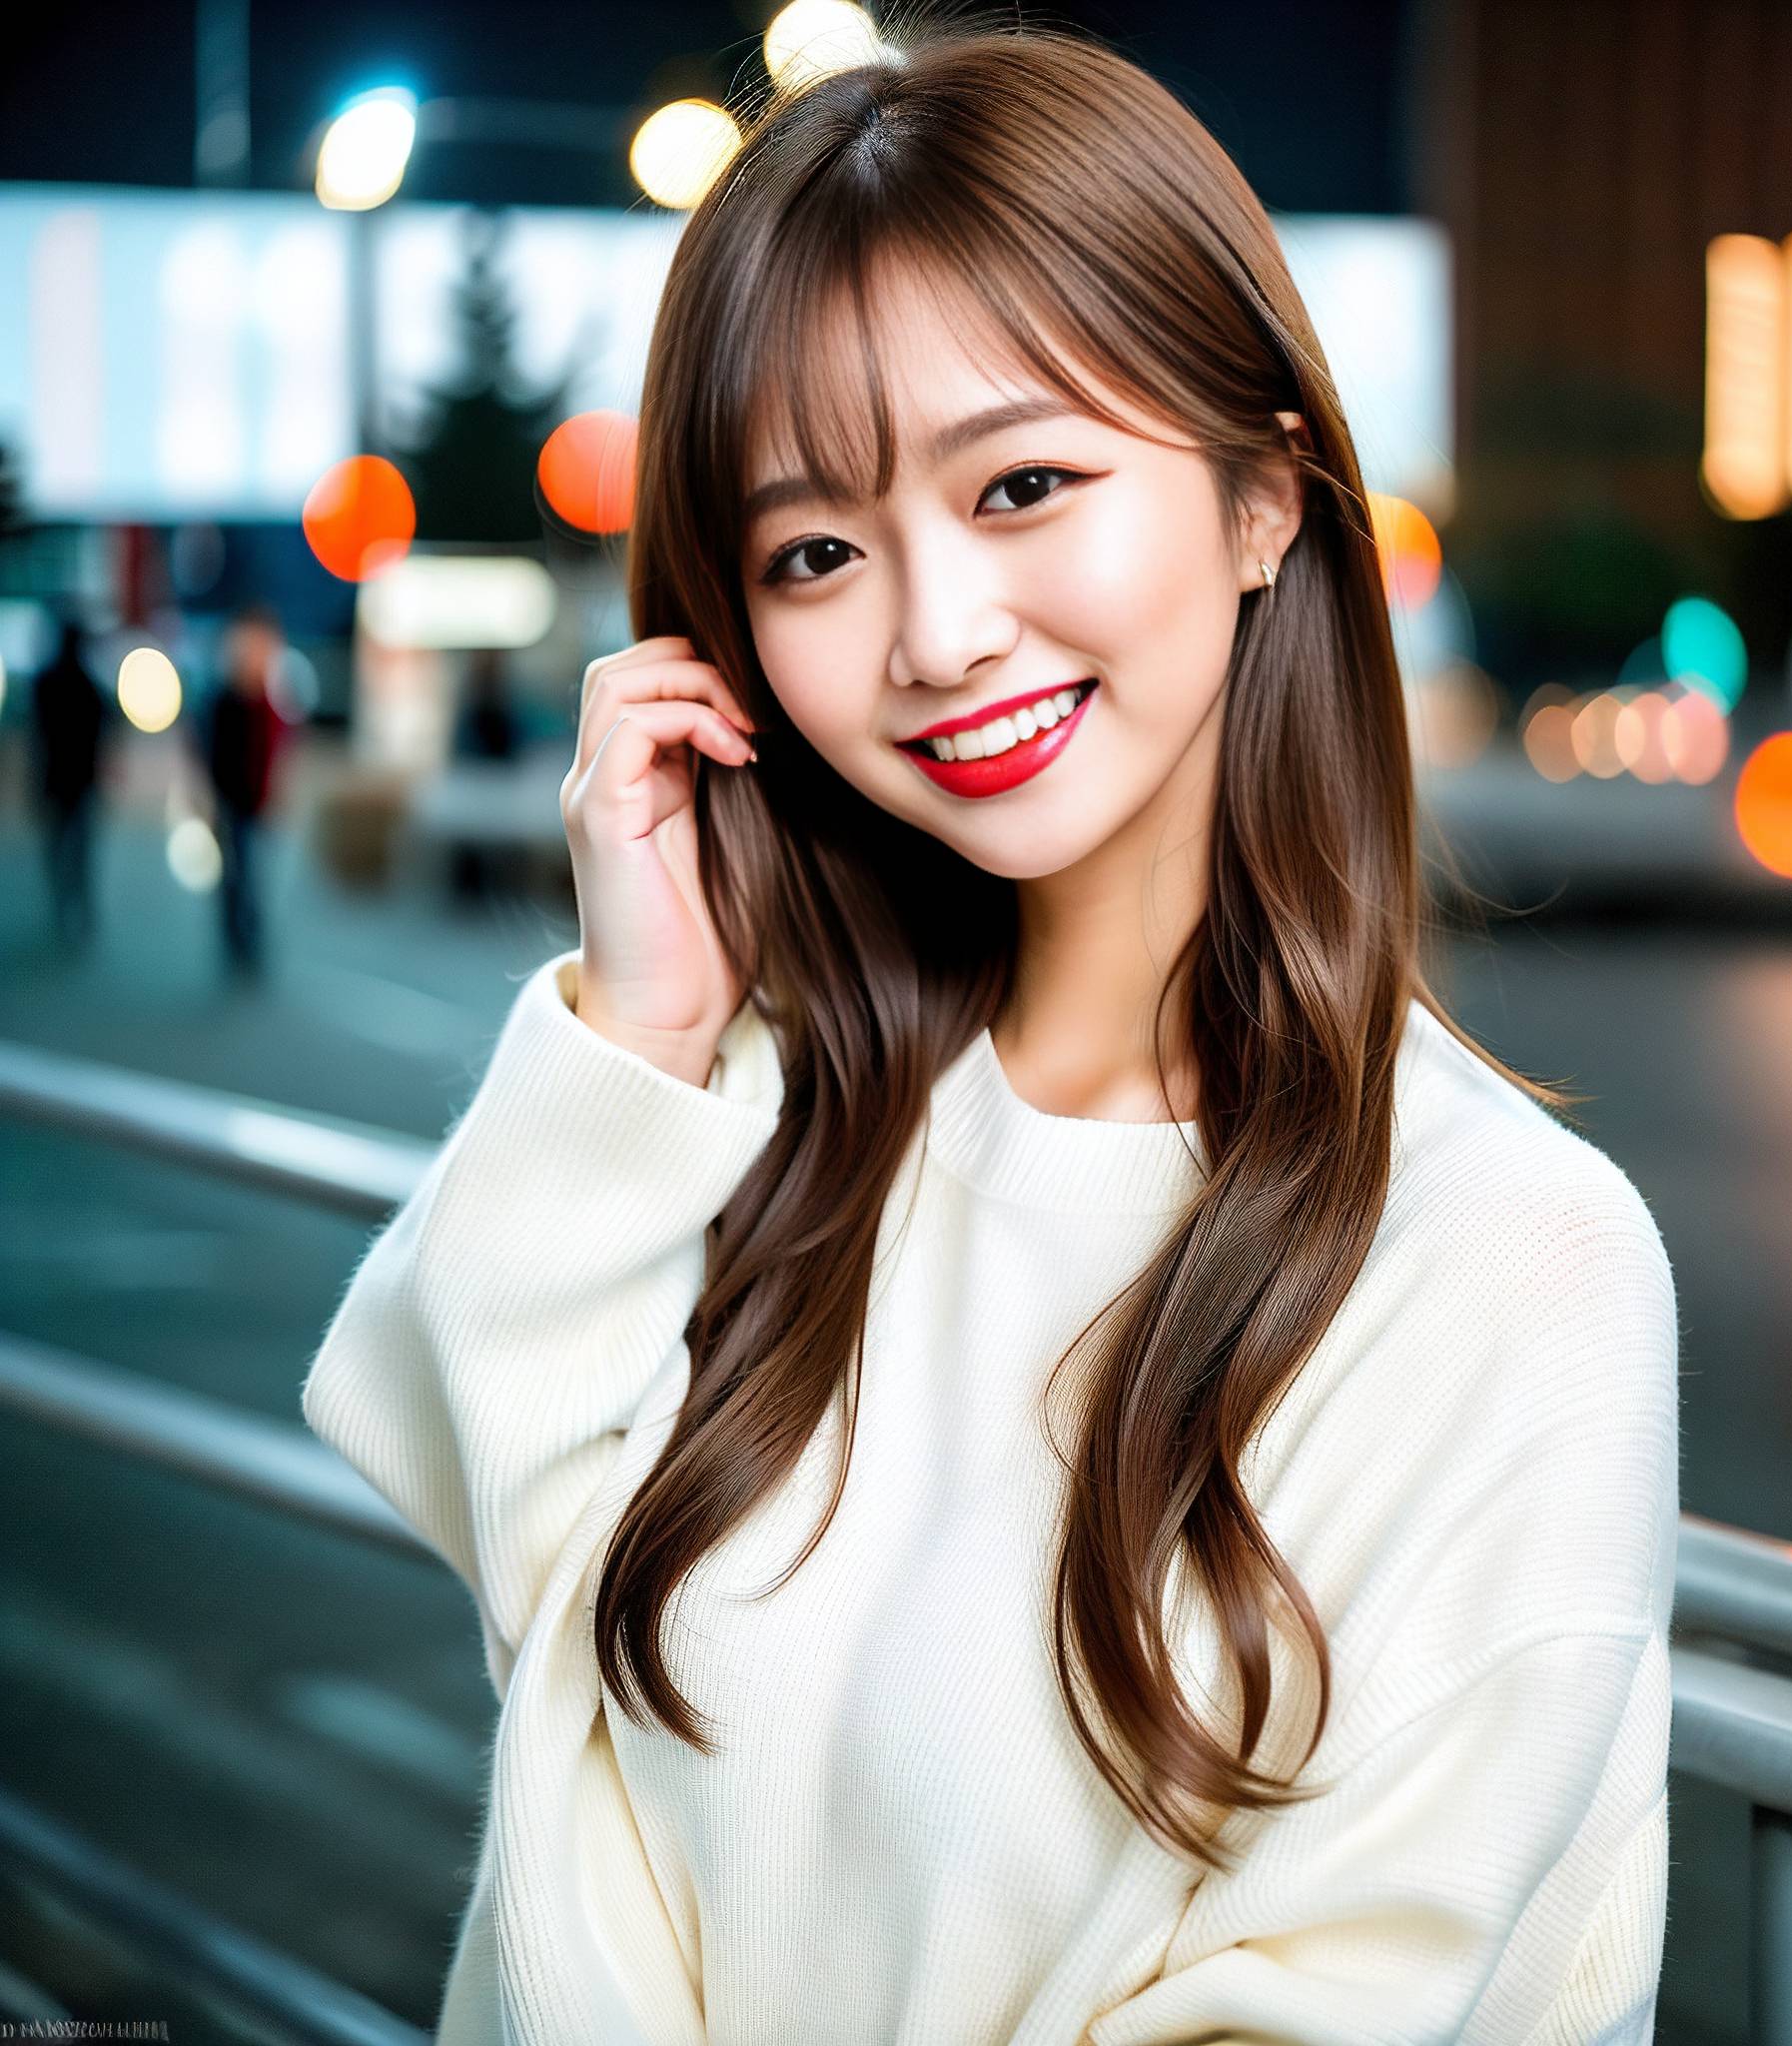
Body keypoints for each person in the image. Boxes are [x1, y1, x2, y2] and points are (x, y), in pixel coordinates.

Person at [303, 22, 1679, 2045]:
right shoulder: (780, 1111)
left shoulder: (1502, 1258)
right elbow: (521, 1541)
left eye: (1022, 481)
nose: (935, 629)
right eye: (816, 553)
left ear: (1263, 499)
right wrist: (644, 1019)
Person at [200, 603, 288, 975]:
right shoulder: (226, 700)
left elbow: (276, 751)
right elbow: (210, 750)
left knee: (250, 874)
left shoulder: (265, 702)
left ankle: (248, 941)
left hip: (253, 800)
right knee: (236, 875)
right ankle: (238, 941)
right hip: (230, 799)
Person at [29, 616, 108, 947]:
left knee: (59, 847)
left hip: (56, 778)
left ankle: (65, 906)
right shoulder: (90, 686)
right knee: (80, 850)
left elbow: (37, 735)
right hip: (82, 781)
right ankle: (81, 910)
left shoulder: (46, 682)